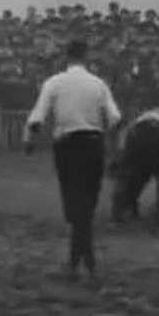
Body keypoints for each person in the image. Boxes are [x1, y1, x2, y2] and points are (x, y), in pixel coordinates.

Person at [23, 39, 122, 283]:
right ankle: (84, 263)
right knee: (85, 208)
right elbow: (116, 119)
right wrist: (116, 150)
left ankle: (80, 264)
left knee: (75, 206)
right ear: (86, 56)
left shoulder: (54, 83)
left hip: (67, 147)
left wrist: (29, 141)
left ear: (65, 57)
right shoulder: (98, 84)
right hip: (93, 146)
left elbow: (37, 117)